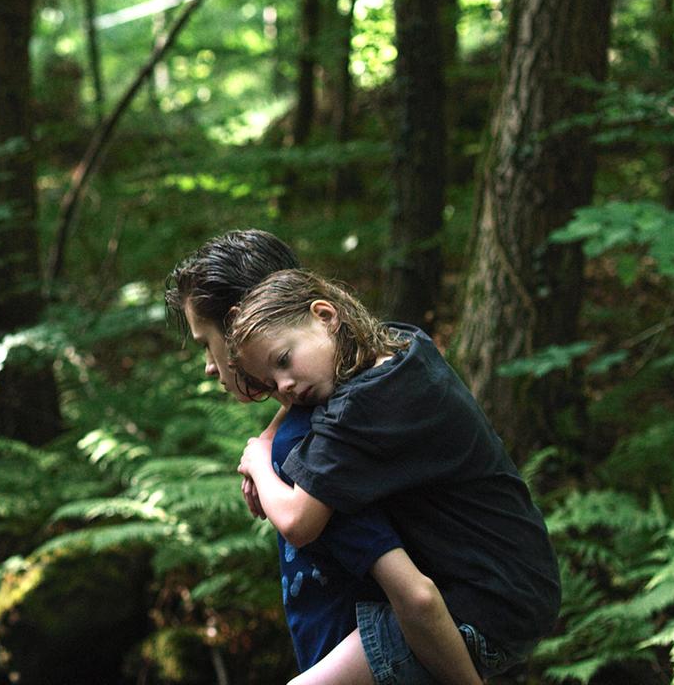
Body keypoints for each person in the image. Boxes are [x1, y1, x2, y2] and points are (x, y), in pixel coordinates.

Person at [166, 230, 481, 685]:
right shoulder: (356, 394)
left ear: (240, 329)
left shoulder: (320, 450)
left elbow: (411, 592)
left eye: (205, 343)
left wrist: (266, 453)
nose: (210, 366)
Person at [227, 268, 562, 683]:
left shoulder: (359, 411)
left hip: (484, 606)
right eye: (271, 384)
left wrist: (259, 460)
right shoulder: (403, 348)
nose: (286, 387)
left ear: (326, 315)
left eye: (283, 361)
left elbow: (298, 522)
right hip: (526, 581)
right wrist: (272, 430)